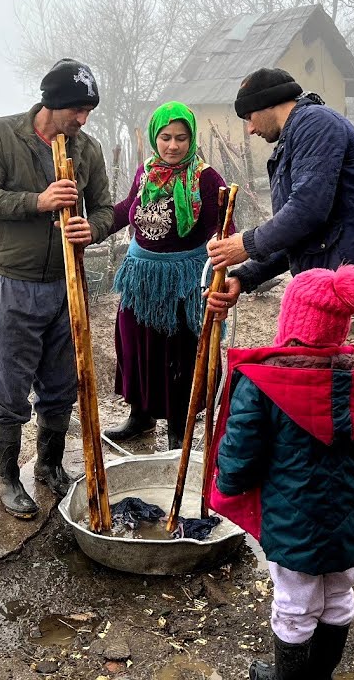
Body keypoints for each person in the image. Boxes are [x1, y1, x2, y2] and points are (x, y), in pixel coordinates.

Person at [206, 67, 354, 553]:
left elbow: (309, 210)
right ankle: (328, 534)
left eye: (250, 117)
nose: (249, 130)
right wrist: (245, 277)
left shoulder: (317, 125)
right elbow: (300, 233)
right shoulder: (298, 141)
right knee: (326, 408)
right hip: (327, 289)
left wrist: (245, 244)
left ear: (270, 103)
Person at [209, 265, 354, 680]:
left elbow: (240, 449)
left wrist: (229, 483)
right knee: (339, 593)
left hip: (294, 520)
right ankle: (319, 675)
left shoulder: (265, 383)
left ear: (291, 322)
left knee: (295, 601)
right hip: (352, 514)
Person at [0, 58, 113, 519]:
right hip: (14, 283)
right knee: (7, 385)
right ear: (51, 103)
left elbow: (107, 208)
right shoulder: (2, 135)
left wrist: (93, 228)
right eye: (77, 109)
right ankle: (7, 478)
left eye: (89, 110)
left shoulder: (86, 150)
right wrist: (38, 201)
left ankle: (49, 466)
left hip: (68, 285)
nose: (83, 119)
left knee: (62, 382)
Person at [102, 101, 232, 450]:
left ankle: (179, 427)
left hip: (182, 282)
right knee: (136, 346)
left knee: (179, 353)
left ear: (192, 140)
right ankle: (140, 418)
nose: (173, 146)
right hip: (140, 278)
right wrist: (93, 228)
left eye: (181, 138)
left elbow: (222, 226)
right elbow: (126, 209)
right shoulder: (145, 172)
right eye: (165, 137)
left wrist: (220, 240)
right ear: (154, 138)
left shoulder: (206, 178)